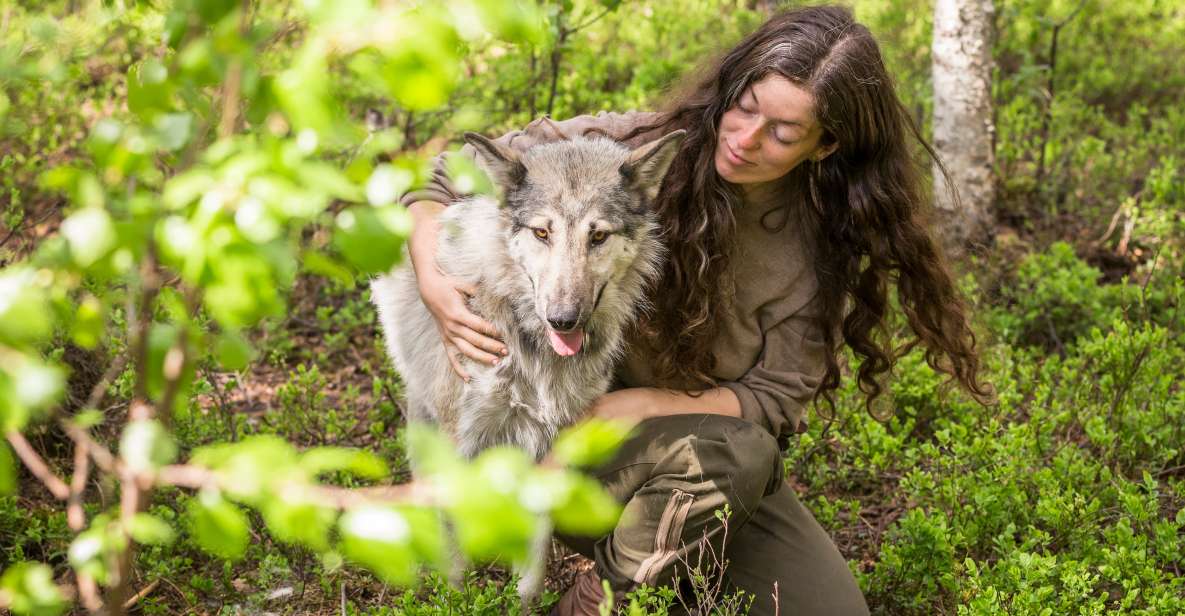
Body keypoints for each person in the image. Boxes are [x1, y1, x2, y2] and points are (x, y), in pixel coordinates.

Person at [397, 5, 993, 615]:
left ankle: (658, 563)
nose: (745, 138)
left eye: (783, 133)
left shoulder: (821, 246)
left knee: (827, 605)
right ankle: (593, 603)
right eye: (746, 106)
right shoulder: (631, 150)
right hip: (555, 444)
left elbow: (775, 399)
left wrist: (641, 404)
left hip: (693, 464)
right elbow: (447, 173)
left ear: (825, 145)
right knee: (734, 455)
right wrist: (430, 271)